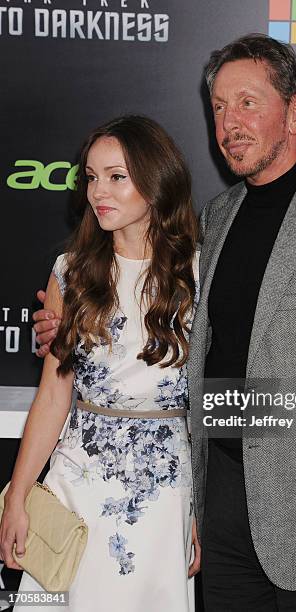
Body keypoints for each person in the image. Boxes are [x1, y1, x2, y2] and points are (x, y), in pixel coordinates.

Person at [32, 35, 296, 612]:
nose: (229, 122)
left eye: (247, 102)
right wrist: (68, 324)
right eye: (218, 106)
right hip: (218, 514)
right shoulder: (213, 222)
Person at [0, 115, 201, 612]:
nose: (97, 192)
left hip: (165, 492)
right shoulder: (71, 272)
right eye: (91, 177)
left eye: (116, 177)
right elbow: (53, 395)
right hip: (76, 485)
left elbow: (209, 399)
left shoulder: (201, 272)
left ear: (155, 182)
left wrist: (203, 510)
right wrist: (18, 496)